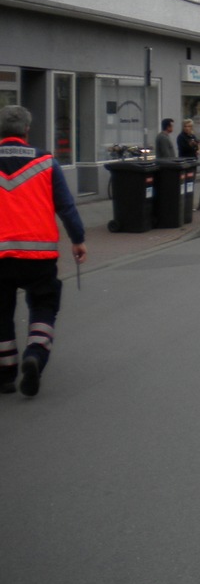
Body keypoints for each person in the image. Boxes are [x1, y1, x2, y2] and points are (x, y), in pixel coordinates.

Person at [0, 105, 87, 398]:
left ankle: (6, 374)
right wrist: (78, 239)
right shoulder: (46, 162)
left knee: (1, 314)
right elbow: (65, 206)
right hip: (40, 257)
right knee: (43, 307)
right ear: (27, 130)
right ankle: (35, 355)